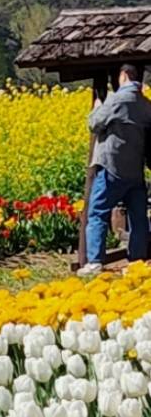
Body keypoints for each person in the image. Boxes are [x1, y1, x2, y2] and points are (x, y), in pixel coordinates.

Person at [79, 62, 151, 274]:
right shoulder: (145, 104)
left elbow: (94, 124)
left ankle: (94, 261)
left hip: (112, 167)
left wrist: (97, 106)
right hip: (135, 169)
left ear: (124, 75)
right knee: (138, 217)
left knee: (97, 212)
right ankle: (137, 261)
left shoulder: (116, 99)